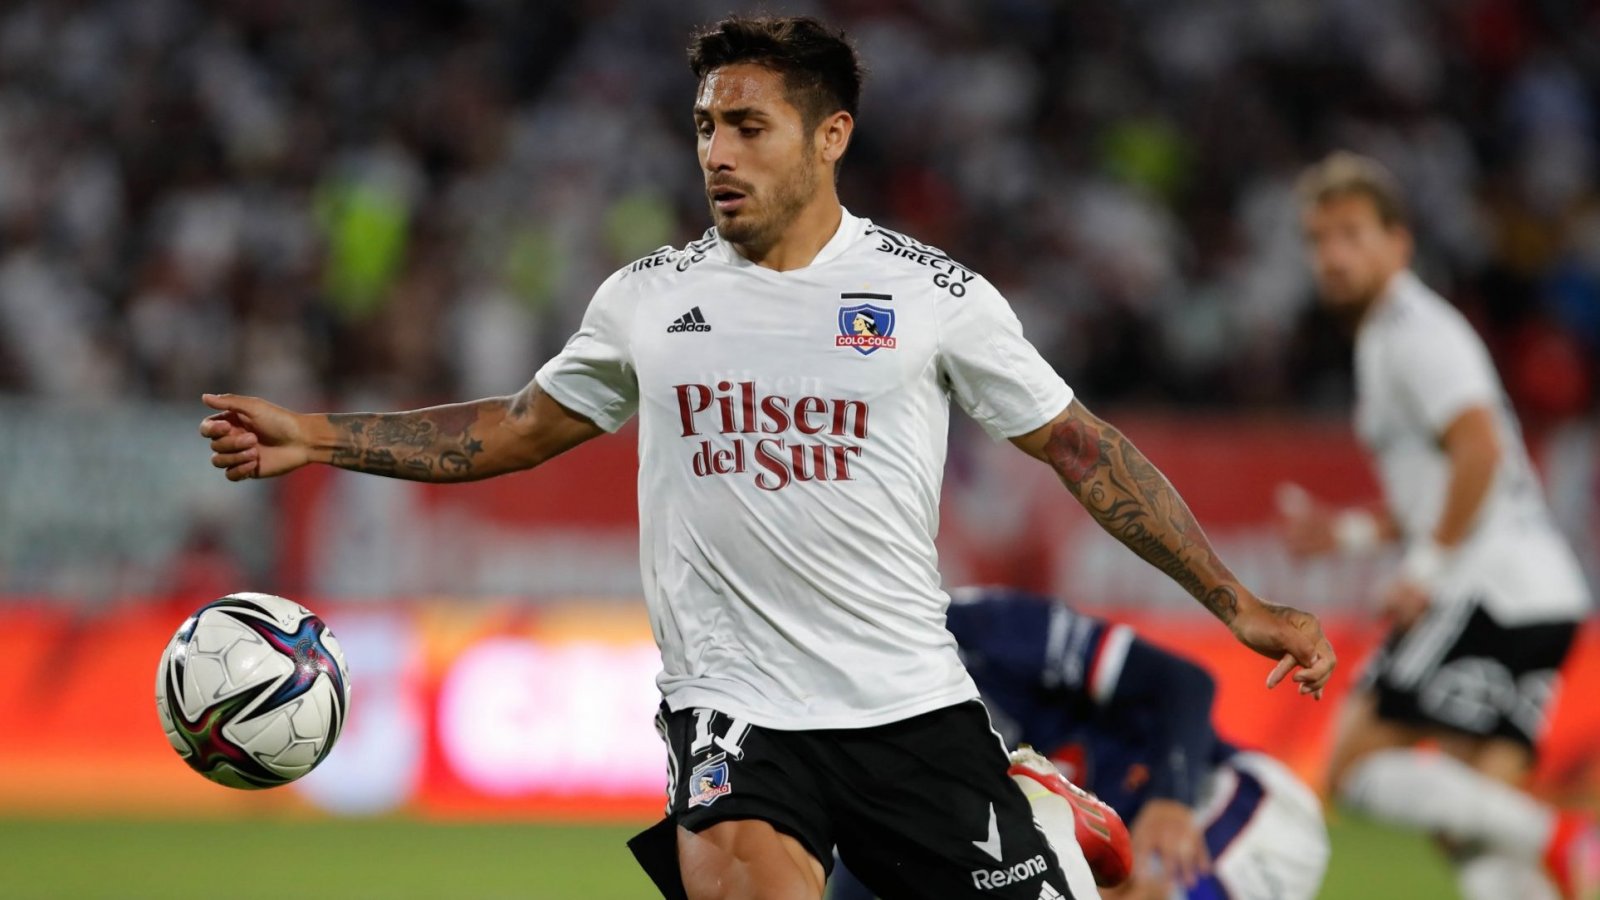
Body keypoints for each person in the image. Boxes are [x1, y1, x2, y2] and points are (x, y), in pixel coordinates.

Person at [199, 16, 1335, 900]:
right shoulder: (648, 297)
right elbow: (514, 426)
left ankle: (1027, 801)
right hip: (733, 716)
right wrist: (317, 435)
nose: (717, 153)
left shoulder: (932, 297)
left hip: (909, 711)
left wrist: (1235, 600)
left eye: (749, 126)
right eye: (705, 126)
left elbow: (1085, 451)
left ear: (829, 135)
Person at [1282, 151, 1597, 900]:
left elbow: (1480, 449)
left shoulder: (1413, 330)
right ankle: (1554, 855)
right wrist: (1352, 535)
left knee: (1354, 768)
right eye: (1320, 240)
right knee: (1471, 814)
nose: (1333, 255)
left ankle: (1565, 837)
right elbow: (1445, 481)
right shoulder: (1388, 337)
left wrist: (1425, 570)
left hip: (1487, 583)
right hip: (1539, 589)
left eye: (1352, 234)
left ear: (1400, 242)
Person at [828, 587, 1329, 900]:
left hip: (1224, 807)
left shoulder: (979, 631)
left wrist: (1168, 798)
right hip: (1101, 853)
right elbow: (873, 867)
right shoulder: (850, 719)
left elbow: (1183, 683)